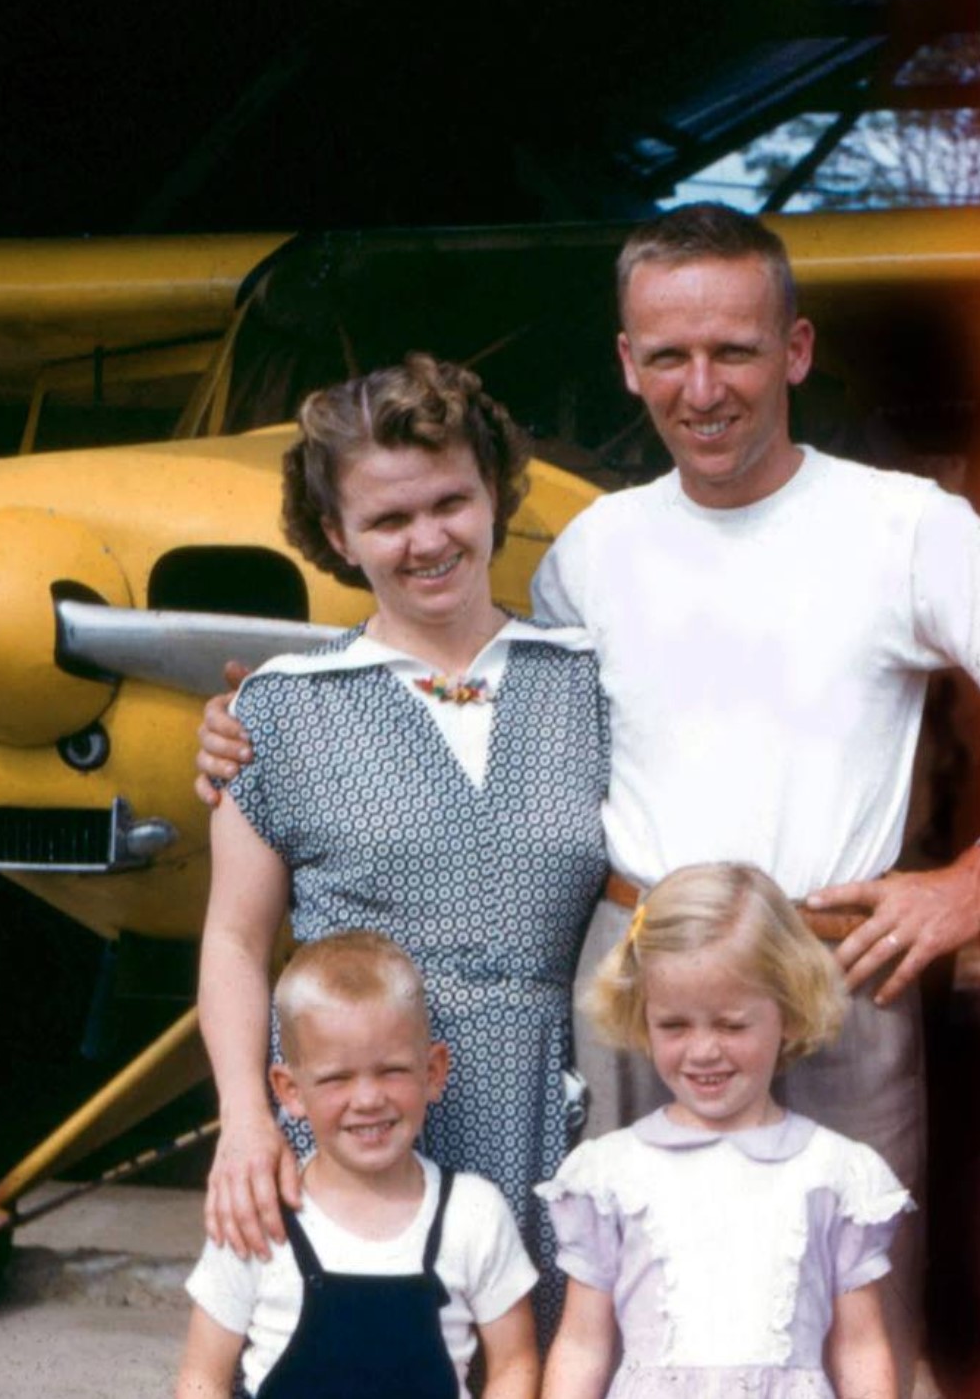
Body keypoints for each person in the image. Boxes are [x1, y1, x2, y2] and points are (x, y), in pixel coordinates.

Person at [194, 202, 979, 1394]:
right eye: (667, 354)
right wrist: (248, 729)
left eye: (735, 349)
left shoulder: (906, 525)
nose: (701, 386)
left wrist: (966, 886)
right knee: (599, 1333)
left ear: (797, 350)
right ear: (627, 363)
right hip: (624, 983)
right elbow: (438, 666)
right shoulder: (592, 555)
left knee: (852, 1334)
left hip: (829, 965)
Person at [196, 353, 609, 1346]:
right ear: (336, 534)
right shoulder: (282, 707)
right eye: (387, 519)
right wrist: (245, 1119)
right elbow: (234, 941)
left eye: (449, 502)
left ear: (495, 493)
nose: (427, 539)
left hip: (552, 1111)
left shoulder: (591, 678)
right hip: (359, 1123)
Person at [536, 862, 913, 1399]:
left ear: (788, 1010)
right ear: (641, 1016)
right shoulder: (609, 1172)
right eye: (674, 1025)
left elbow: (860, 1346)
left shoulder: (835, 1172)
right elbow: (582, 1343)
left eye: (732, 1024)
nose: (704, 1050)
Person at [177, 931, 540, 1398]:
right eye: (337, 1078)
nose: (368, 1099)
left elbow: (515, 1365)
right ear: (290, 1090)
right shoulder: (263, 1216)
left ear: (433, 1072)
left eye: (391, 1070)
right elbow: (201, 1377)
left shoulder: (473, 1214)